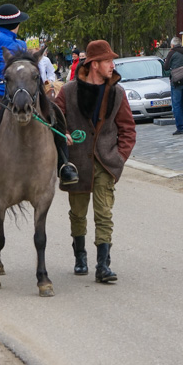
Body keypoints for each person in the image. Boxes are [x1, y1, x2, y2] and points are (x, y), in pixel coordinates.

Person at [0, 4, 78, 194]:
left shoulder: (20, 44)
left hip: (21, 91)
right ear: (16, 23)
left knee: (53, 113)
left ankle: (62, 163)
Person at [54, 40, 137, 283]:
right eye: (108, 61)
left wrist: (119, 158)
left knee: (104, 213)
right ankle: (80, 257)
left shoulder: (117, 92)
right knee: (78, 214)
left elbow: (128, 130)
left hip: (105, 162)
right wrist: (63, 135)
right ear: (94, 64)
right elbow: (55, 121)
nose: (113, 65)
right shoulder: (69, 91)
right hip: (77, 163)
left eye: (112, 61)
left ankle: (103, 265)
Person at [163, 36, 183, 135]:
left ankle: (180, 127)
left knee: (177, 105)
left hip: (176, 81)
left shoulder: (172, 53)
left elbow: (166, 67)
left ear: (172, 45)